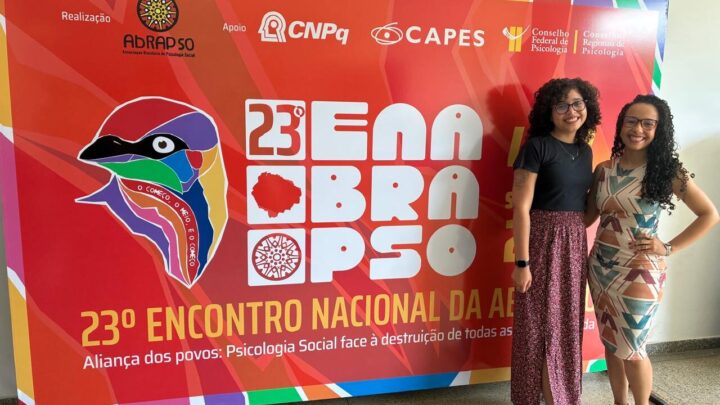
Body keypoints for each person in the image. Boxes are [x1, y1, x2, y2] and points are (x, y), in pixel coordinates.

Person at [584, 94, 719, 405]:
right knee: (612, 344)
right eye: (631, 121)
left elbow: (710, 214)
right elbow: (587, 217)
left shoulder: (667, 171)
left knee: (632, 348)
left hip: (640, 271)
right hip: (601, 268)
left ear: (659, 129)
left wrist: (667, 247)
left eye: (648, 123)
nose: (638, 129)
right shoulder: (604, 170)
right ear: (621, 125)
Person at [511, 77, 601, 404]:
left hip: (574, 244)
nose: (571, 111)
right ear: (549, 112)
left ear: (587, 107)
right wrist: (522, 263)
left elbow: (584, 211)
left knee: (566, 324)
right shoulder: (537, 147)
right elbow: (521, 208)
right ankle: (533, 396)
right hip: (541, 241)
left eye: (577, 103)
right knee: (537, 326)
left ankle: (562, 397)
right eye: (561, 105)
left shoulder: (585, 151)